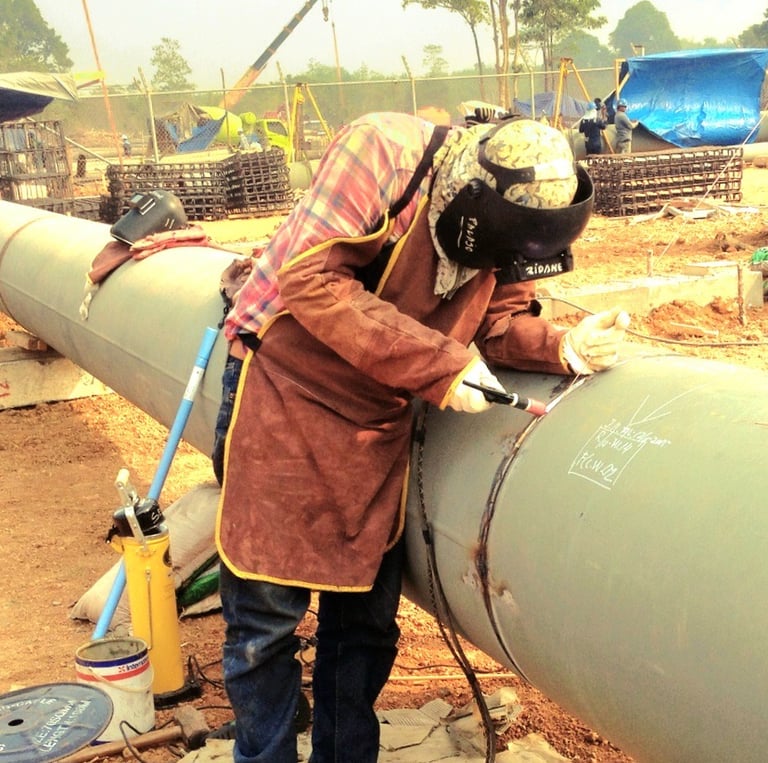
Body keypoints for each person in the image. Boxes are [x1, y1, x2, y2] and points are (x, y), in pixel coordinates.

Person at [212, 111, 630, 763]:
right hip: (290, 387)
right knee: (265, 623)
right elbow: (310, 279)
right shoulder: (382, 151)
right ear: (467, 205)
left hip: (379, 411)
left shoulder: (509, 224)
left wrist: (561, 345)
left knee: (365, 625)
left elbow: (497, 315)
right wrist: (440, 365)